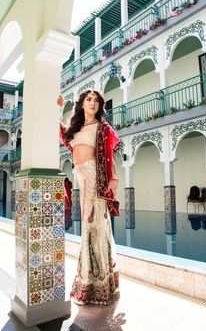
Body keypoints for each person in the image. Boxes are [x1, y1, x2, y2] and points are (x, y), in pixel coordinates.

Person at [57, 89, 120, 305]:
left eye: (96, 100)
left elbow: (109, 155)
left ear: (100, 105)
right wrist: (56, 109)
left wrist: (113, 179)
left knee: (95, 227)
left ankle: (97, 284)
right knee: (88, 228)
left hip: (96, 179)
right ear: (82, 104)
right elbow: (59, 132)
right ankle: (92, 281)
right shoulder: (75, 130)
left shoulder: (103, 128)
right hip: (82, 182)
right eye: (88, 99)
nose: (92, 103)